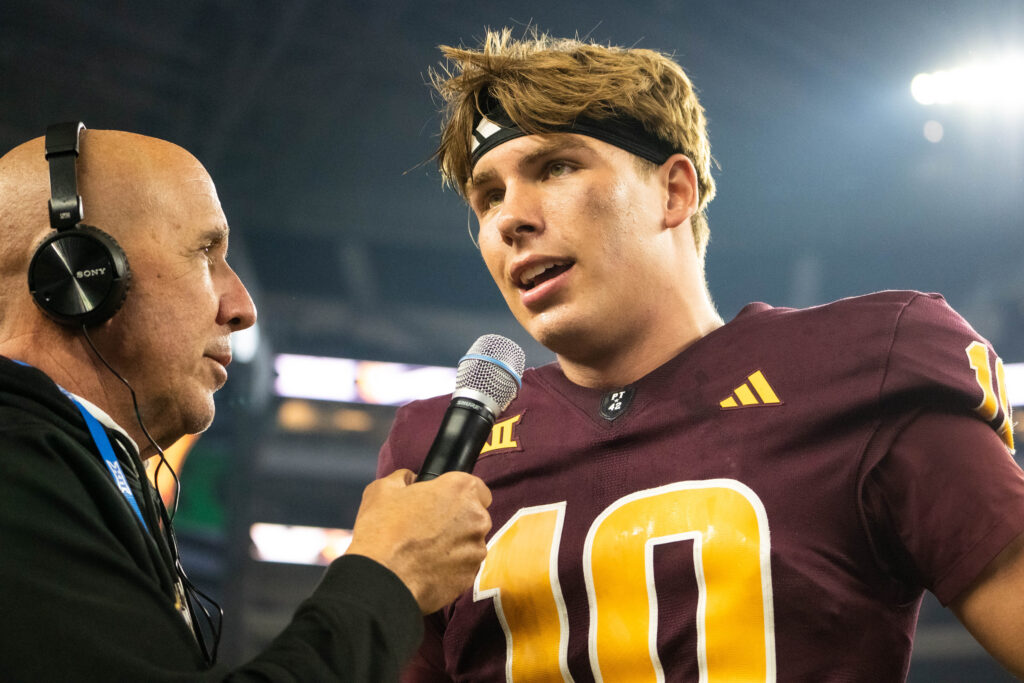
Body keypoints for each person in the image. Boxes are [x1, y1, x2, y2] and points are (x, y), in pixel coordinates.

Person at [376, 28, 1024, 681]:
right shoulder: (437, 454)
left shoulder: (862, 369)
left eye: (556, 167)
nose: (509, 218)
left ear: (674, 191)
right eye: (488, 195)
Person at [0, 124, 492, 681]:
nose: (241, 306)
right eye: (205, 254)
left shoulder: (62, 464)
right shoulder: (15, 464)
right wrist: (390, 575)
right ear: (81, 271)